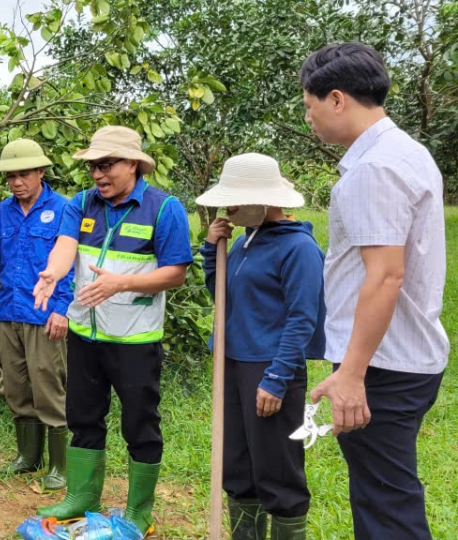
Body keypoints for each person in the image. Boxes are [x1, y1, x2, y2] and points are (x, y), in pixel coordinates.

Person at [300, 42, 449, 539]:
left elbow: (385, 275)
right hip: (403, 353)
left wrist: (351, 373)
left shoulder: (373, 169)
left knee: (386, 506)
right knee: (382, 493)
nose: (309, 118)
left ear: (337, 99)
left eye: (310, 105)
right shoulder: (406, 152)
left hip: (381, 364)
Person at [32, 126, 193, 534]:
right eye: (93, 167)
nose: (97, 175)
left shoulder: (164, 209)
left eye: (106, 165)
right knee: (83, 416)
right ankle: (82, 496)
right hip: (86, 334)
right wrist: (53, 272)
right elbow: (66, 245)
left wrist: (121, 283)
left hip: (135, 339)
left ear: (133, 164)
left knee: (140, 423)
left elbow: (175, 274)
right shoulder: (82, 203)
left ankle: (139, 509)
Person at [197, 153, 325, 540]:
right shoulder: (244, 242)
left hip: (269, 367)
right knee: (238, 466)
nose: (227, 208)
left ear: (262, 201)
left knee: (278, 472)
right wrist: (211, 251)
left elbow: (302, 318)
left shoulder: (298, 248)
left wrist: (276, 379)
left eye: (234, 201)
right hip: (233, 363)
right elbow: (225, 297)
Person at [0, 139, 75, 490]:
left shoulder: (63, 209)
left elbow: (72, 266)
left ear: (41, 172)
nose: (16, 182)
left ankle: (59, 465)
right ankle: (29, 457)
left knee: (48, 386)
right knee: (17, 387)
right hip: (9, 311)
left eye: (23, 174)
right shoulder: (3, 211)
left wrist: (62, 310)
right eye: (11, 176)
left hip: (44, 313)